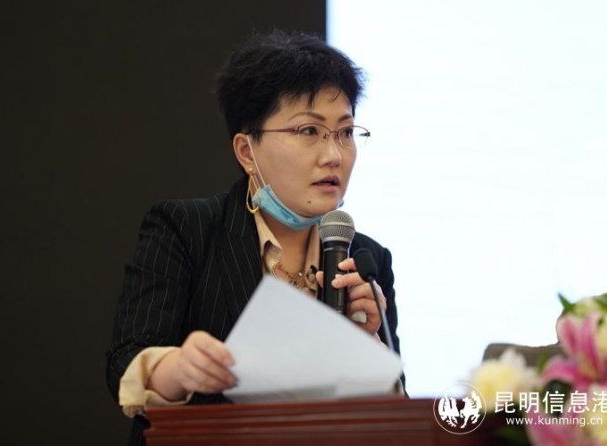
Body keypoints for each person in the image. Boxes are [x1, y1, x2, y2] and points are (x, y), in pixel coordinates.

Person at [105, 29, 404, 445]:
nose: (334, 155)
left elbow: (394, 421)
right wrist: (179, 369)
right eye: (309, 131)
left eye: (346, 132)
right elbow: (125, 363)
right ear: (247, 151)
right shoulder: (186, 229)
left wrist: (370, 343)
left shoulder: (368, 258)